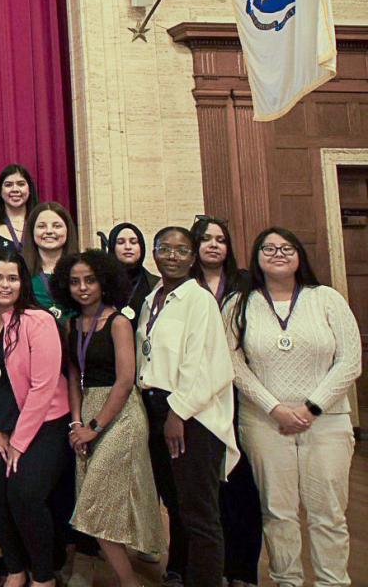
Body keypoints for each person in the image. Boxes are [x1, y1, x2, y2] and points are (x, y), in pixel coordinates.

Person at [225, 227, 361, 587]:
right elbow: (233, 364)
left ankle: (333, 582)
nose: (278, 253)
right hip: (264, 423)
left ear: (300, 254)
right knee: (278, 512)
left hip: (327, 422)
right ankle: (287, 580)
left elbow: (350, 361)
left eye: (287, 247)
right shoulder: (240, 304)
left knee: (328, 512)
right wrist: (275, 408)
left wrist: (311, 408)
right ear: (256, 258)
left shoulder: (327, 299)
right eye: (268, 248)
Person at [51, 251, 163, 587]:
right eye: (74, 282)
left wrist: (95, 427)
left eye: (90, 280)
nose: (82, 288)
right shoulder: (70, 324)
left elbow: (126, 380)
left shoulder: (118, 322)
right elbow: (73, 376)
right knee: (94, 503)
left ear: (104, 282)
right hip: (85, 412)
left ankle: (129, 582)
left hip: (121, 415)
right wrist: (75, 423)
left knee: (94, 502)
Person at [137, 226, 239, 587]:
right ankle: (179, 572)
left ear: (193, 257)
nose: (173, 256)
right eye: (166, 248)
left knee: (200, 513)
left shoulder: (199, 300)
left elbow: (208, 366)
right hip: (156, 410)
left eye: (182, 251)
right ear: (155, 252)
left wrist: (177, 413)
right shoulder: (153, 299)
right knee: (177, 507)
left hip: (189, 415)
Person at [0, 253, 70, 587]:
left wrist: (19, 443)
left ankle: (42, 575)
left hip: (44, 423)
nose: (4, 285)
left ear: (23, 282)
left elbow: (43, 387)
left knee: (24, 494)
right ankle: (16, 568)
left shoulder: (39, 321)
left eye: (12, 278)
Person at [190, 215, 261, 587]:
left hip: (240, 391)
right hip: (198, 396)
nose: (213, 245)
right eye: (206, 239)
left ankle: (243, 570)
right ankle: (211, 567)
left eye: (220, 239)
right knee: (207, 490)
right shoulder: (185, 286)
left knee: (242, 486)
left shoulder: (246, 284)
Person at [22, 202, 77, 319]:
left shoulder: (82, 268)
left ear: (68, 230)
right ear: (32, 231)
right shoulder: (20, 270)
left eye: (57, 226)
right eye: (42, 226)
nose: (49, 231)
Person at [105, 222, 157, 320]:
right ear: (112, 247)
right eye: (120, 242)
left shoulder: (155, 285)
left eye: (133, 242)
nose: (128, 247)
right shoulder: (102, 283)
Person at [0, 165, 37, 254]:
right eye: (8, 185)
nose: (15, 189)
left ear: (30, 189)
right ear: (0, 191)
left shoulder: (40, 220)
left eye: (21, 184)